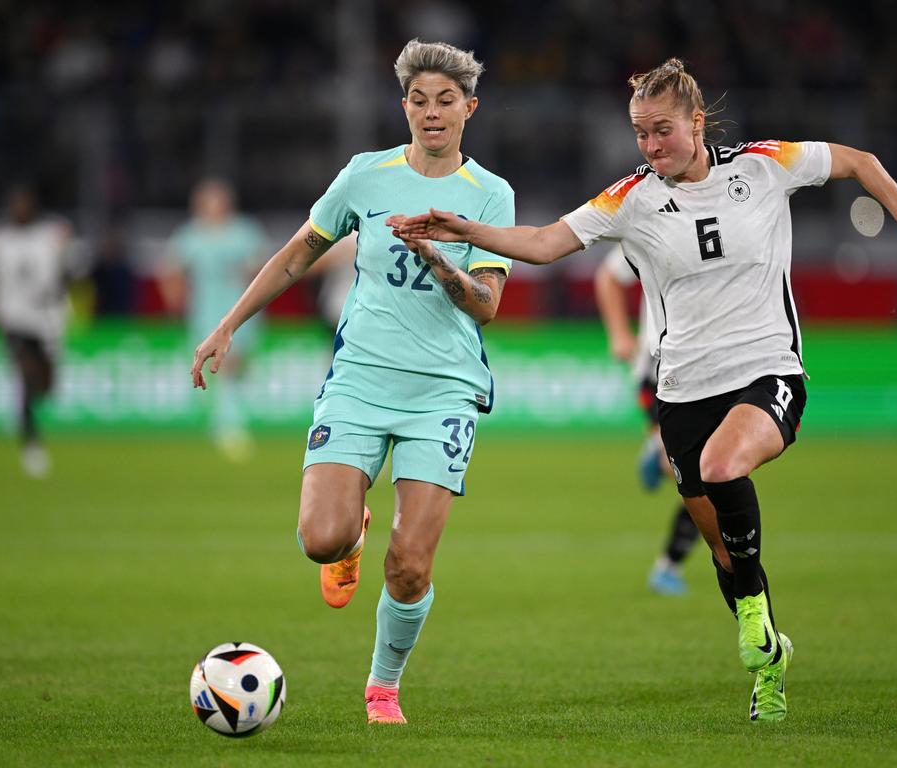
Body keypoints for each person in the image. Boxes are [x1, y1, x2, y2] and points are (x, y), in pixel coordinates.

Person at [391, 58, 897, 722]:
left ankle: (751, 617)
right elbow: (543, 243)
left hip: (767, 369)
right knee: (720, 548)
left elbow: (860, 161)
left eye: (662, 131)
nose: (651, 147)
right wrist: (465, 230)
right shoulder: (631, 198)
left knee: (722, 467)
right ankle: (770, 658)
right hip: (683, 390)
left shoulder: (765, 164)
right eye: (640, 135)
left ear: (696, 121)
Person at [190, 39, 514, 725]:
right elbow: (296, 254)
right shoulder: (365, 176)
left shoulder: (489, 195)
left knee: (411, 567)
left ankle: (382, 687)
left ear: (469, 108)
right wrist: (228, 324)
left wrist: (438, 258)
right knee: (320, 539)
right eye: (419, 101)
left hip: (443, 394)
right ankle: (350, 538)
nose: (432, 113)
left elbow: (486, 305)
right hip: (360, 383)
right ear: (404, 107)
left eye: (446, 101)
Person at [593, 245, 700, 595]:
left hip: (712, 371)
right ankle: (668, 567)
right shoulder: (650, 219)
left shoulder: (730, 216)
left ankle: (659, 453)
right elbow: (608, 276)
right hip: (659, 370)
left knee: (719, 479)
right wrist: (619, 334)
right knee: (701, 479)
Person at [161, 179, 267, 461]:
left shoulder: (244, 232)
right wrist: (175, 300)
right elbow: (170, 269)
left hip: (240, 308)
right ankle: (228, 425)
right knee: (224, 365)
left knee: (237, 365)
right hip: (206, 309)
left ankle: (225, 418)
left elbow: (262, 268)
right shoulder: (191, 235)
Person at [0, 184, 74, 478]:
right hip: (13, 319)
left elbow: (68, 272)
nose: (21, 210)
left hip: (46, 321)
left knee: (46, 385)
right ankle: (31, 444)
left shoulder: (51, 237)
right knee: (26, 377)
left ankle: (25, 416)